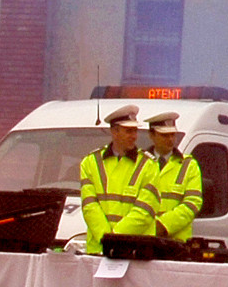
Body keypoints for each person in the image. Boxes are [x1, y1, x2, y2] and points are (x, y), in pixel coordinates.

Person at [78, 107, 154, 255]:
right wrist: (107, 239)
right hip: (98, 250)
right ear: (114, 132)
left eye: (135, 131)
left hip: (135, 250)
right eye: (128, 131)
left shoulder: (149, 165)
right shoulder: (90, 162)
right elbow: (89, 207)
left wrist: (115, 239)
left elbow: (146, 210)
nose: (134, 136)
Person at [145, 112, 202, 247]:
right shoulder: (139, 162)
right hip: (142, 240)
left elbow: (192, 203)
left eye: (172, 135)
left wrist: (163, 225)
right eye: (164, 135)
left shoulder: (189, 165)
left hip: (177, 244)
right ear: (152, 135)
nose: (170, 139)